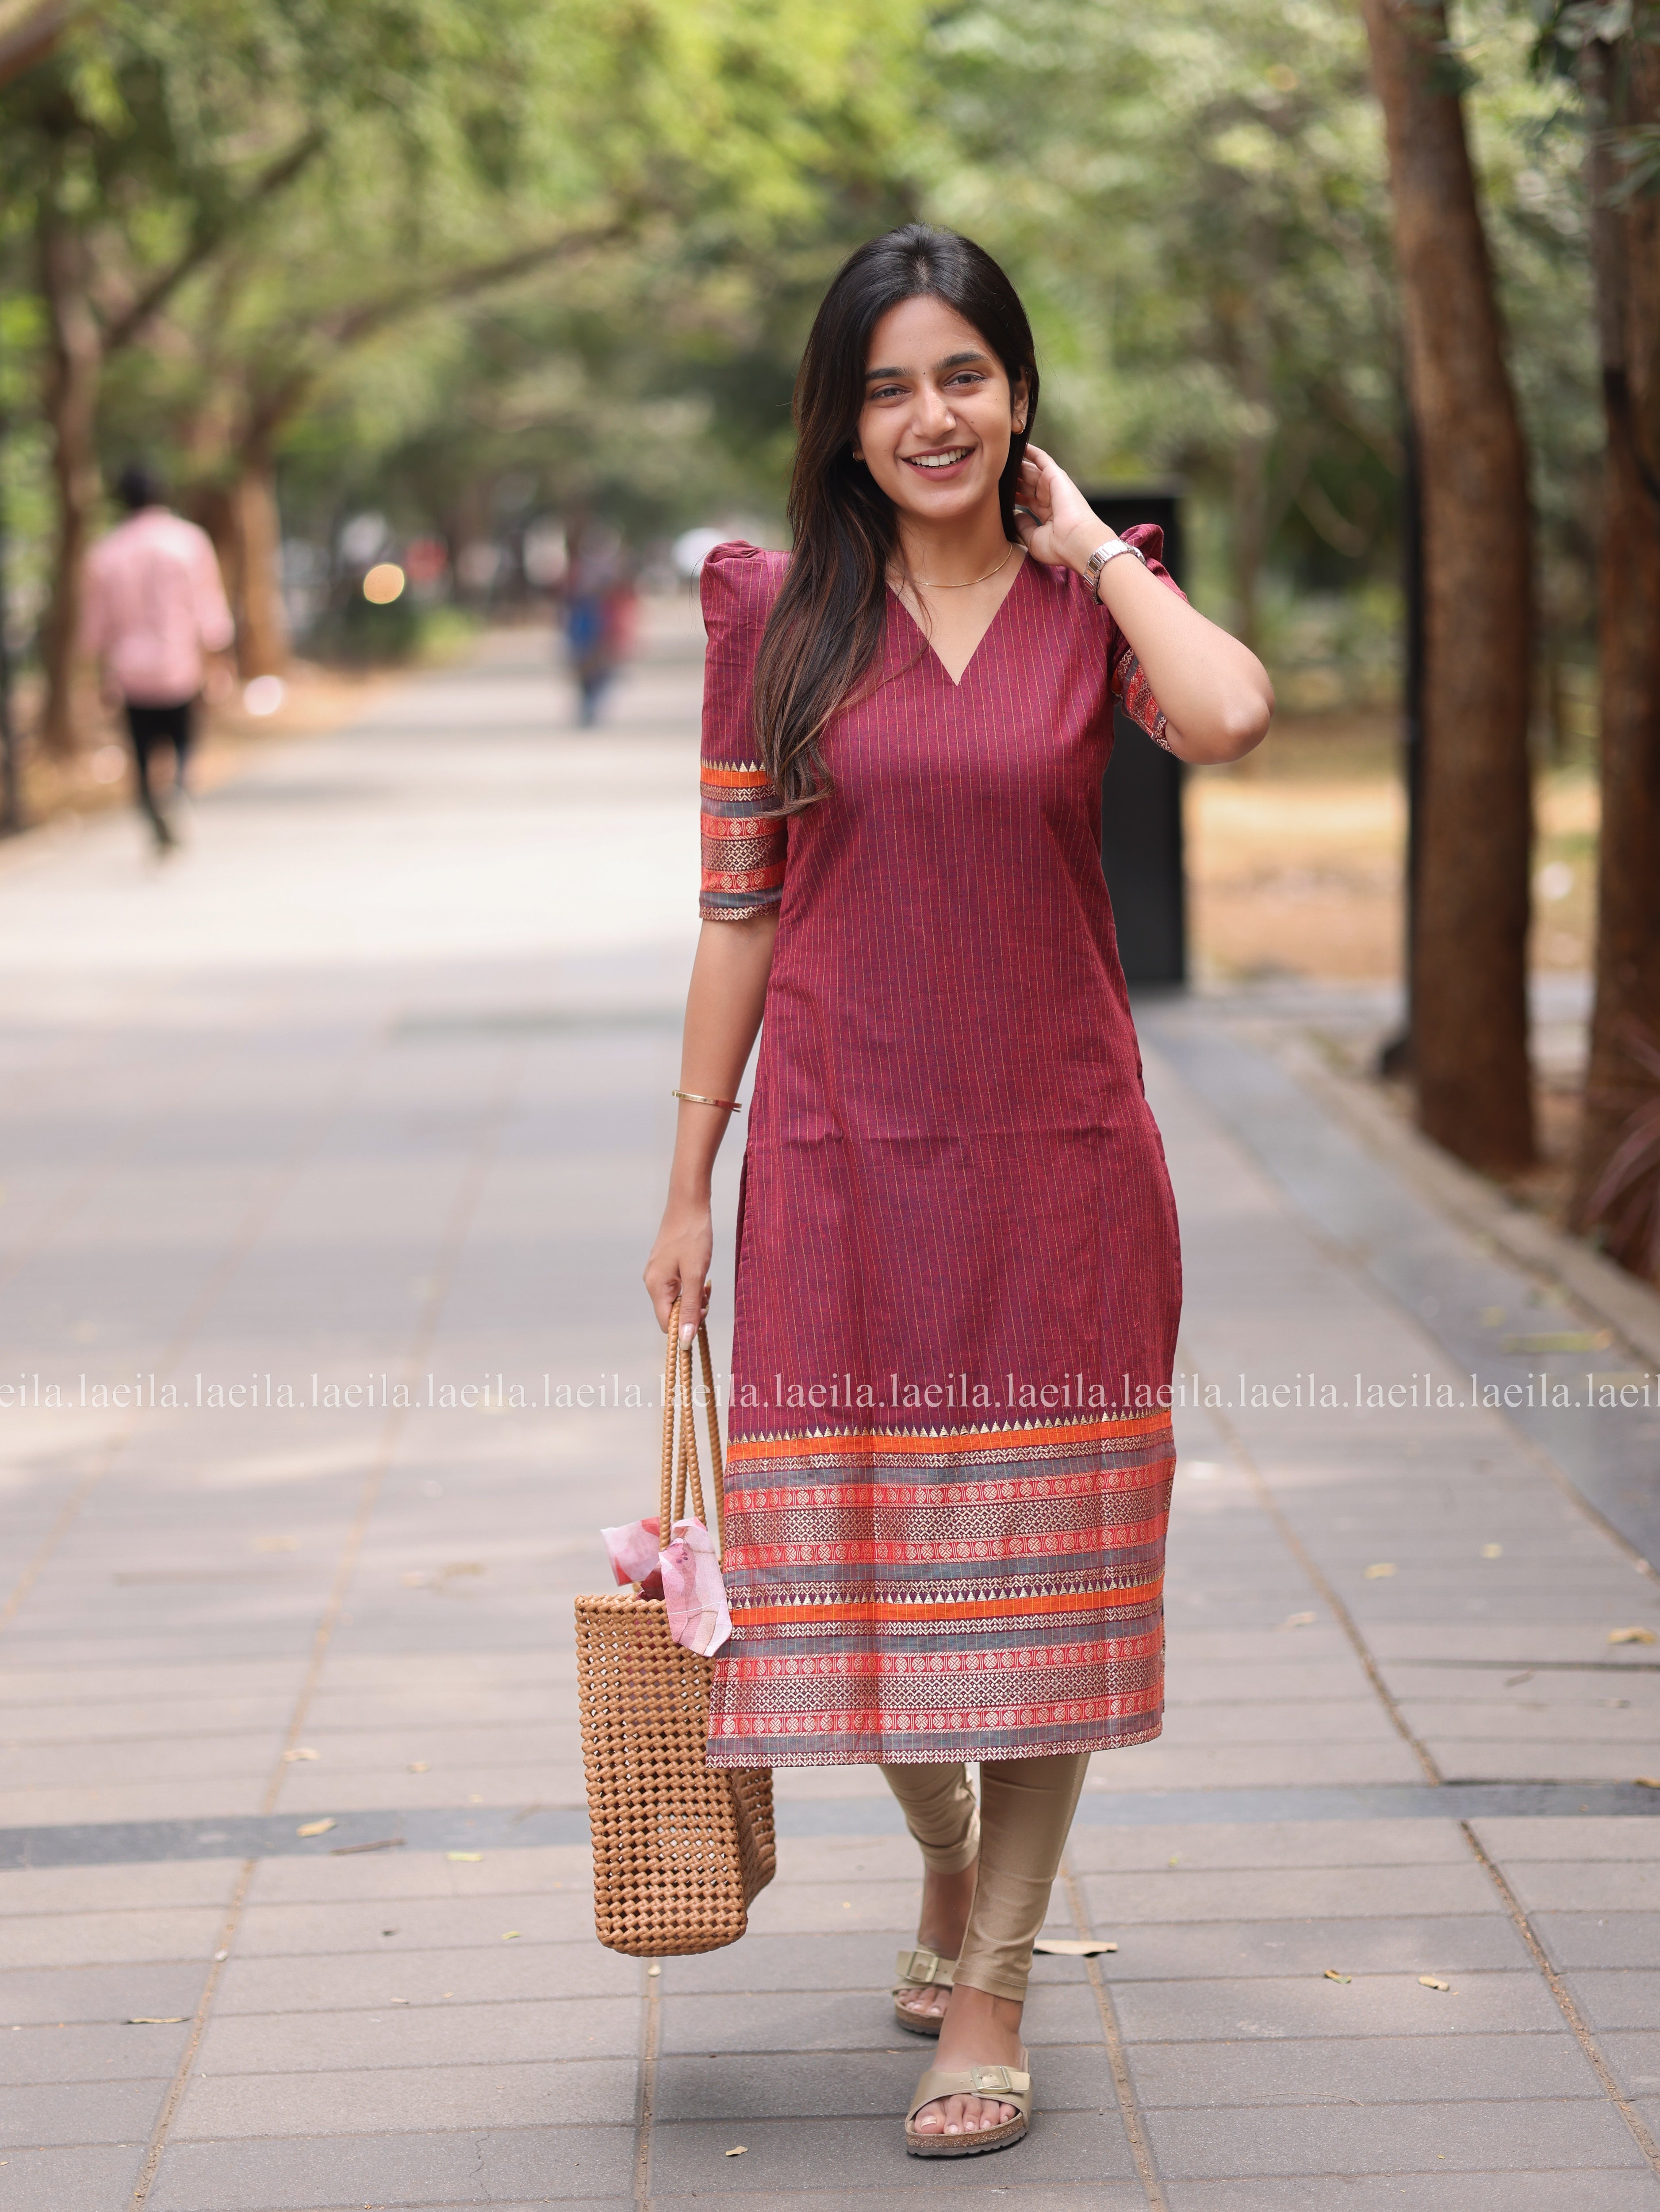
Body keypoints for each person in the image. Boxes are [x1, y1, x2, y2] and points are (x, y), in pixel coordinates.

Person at [644, 226, 1272, 2160]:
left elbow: (1235, 717)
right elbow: (738, 902)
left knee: (1052, 1578)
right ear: (837, 418)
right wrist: (686, 1182)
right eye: (888, 384)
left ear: (1015, 392)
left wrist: (1090, 545)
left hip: (1059, 1166)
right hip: (837, 1168)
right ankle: (937, 1854)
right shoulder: (776, 617)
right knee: (867, 1585)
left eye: (963, 376)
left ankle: (992, 1973)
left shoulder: (1100, 607)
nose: (929, 416)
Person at [81, 463, 234, 851]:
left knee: (141, 748)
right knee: (182, 741)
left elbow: (97, 628)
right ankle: (178, 793)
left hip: (130, 672)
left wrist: (100, 677)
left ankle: (152, 806)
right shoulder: (189, 542)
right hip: (178, 664)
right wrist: (218, 664)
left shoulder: (106, 551)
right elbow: (209, 610)